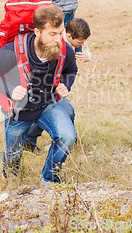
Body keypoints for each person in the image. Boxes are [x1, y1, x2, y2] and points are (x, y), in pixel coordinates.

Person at [0, 4, 78, 186]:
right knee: (13, 153)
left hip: (47, 104)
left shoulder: (64, 49)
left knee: (67, 136)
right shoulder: (14, 50)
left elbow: (71, 69)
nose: (58, 39)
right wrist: (9, 89)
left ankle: (48, 179)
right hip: (19, 111)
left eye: (60, 32)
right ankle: (10, 178)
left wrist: (66, 84)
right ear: (37, 32)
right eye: (52, 34)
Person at [24, 18, 92, 153]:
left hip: (57, 89)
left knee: (65, 113)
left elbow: (72, 69)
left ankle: (65, 140)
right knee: (60, 113)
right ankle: (32, 141)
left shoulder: (72, 39)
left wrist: (87, 55)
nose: (82, 44)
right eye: (79, 42)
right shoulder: (55, 46)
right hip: (45, 89)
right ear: (68, 36)